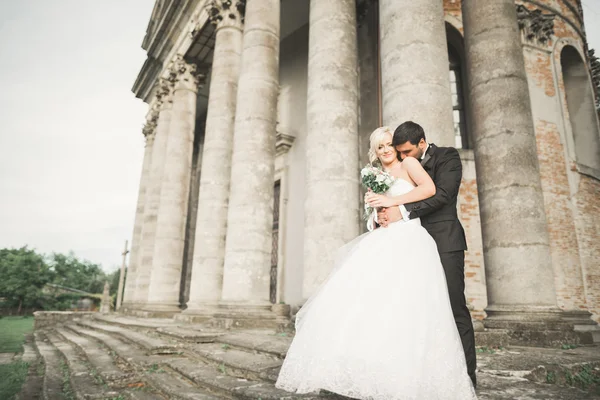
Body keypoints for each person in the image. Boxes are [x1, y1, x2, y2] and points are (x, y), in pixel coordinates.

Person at [275, 127, 477, 400]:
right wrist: (378, 216)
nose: (385, 150)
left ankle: (447, 374)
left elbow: (430, 190)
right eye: (379, 146)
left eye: (388, 145)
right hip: (384, 237)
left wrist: (394, 204)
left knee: (420, 305)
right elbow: (372, 213)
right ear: (374, 150)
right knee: (377, 303)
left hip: (411, 238)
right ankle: (375, 371)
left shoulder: (410, 163)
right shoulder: (373, 175)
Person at [368, 121, 477, 387]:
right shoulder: (394, 166)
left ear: (421, 143)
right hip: (410, 245)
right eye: (398, 151)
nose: (402, 156)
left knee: (453, 308)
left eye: (406, 151)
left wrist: (400, 211)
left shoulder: (448, 156)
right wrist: (381, 217)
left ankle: (466, 378)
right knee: (416, 309)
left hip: (443, 241)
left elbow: (442, 195)